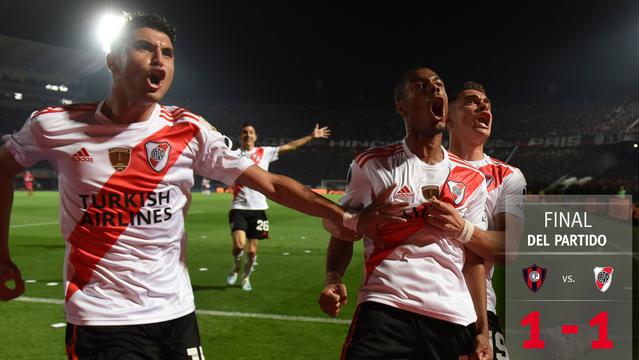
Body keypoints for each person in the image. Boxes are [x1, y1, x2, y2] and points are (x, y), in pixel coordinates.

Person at [0, 13, 396, 359]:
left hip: (176, 315)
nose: (159, 59)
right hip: (102, 318)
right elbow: (3, 169)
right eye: (144, 47)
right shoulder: (55, 125)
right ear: (113, 61)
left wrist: (347, 218)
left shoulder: (189, 130)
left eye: (168, 52)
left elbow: (271, 184)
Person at [318, 67, 492, 360]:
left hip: (453, 318)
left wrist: (482, 331)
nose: (435, 90)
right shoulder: (372, 165)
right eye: (421, 86)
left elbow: (473, 259)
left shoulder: (472, 179)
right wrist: (333, 277)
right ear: (401, 107)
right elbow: (342, 228)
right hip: (385, 308)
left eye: (439, 85)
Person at [431, 81, 527, 360]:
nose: (484, 106)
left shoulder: (507, 175)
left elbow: (509, 248)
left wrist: (462, 228)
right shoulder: (424, 167)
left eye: (487, 104)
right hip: (417, 301)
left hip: (476, 308)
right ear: (448, 117)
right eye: (471, 101)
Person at [227, 122, 331, 291]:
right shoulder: (234, 154)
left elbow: (290, 146)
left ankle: (246, 277)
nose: (248, 135)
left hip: (259, 209)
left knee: (252, 251)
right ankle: (236, 267)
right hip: (238, 207)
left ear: (255, 136)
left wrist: (311, 137)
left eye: (251, 132)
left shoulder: (264, 152)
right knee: (239, 245)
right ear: (240, 136)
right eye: (245, 132)